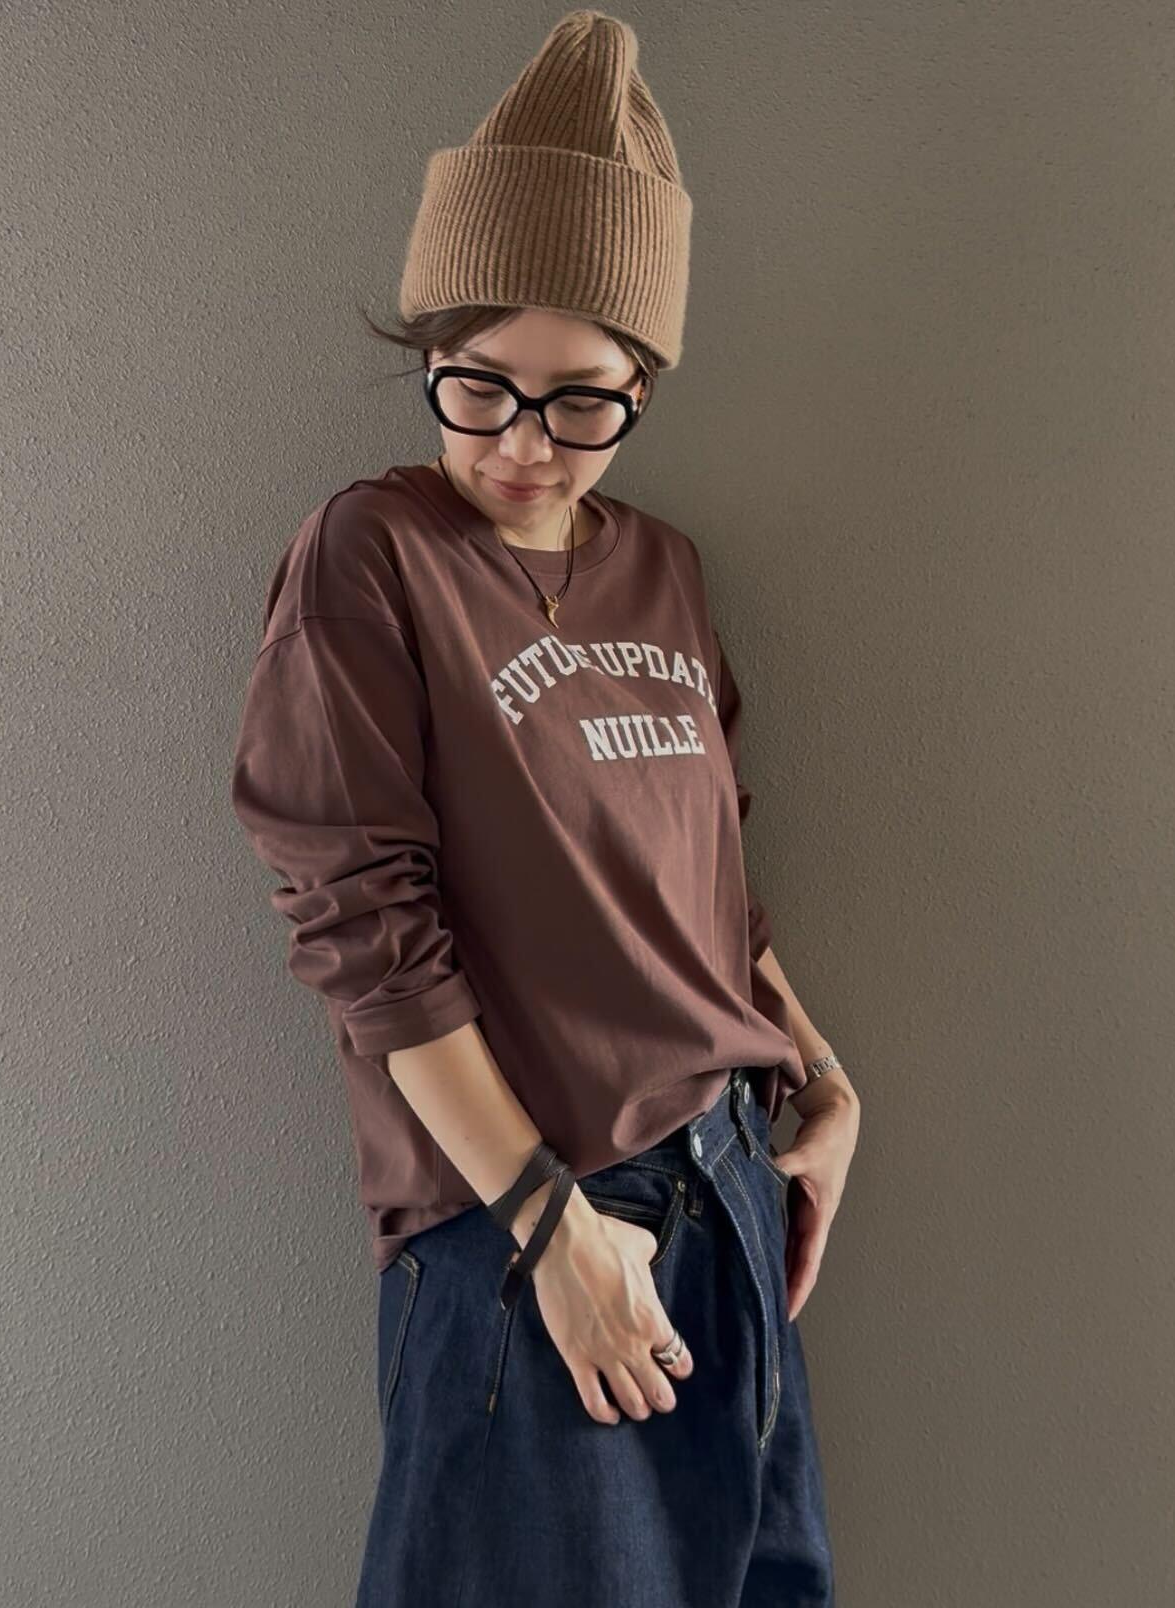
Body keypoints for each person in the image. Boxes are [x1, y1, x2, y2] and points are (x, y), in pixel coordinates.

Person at [230, 11, 860, 1605]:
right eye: (478, 386)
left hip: (727, 1186)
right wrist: (546, 1229)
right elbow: (368, 937)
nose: (521, 443)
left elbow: (705, 884)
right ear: (427, 356)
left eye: (581, 399)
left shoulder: (663, 569)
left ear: (643, 383)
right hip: (525, 1214)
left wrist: (817, 1077)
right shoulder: (372, 555)